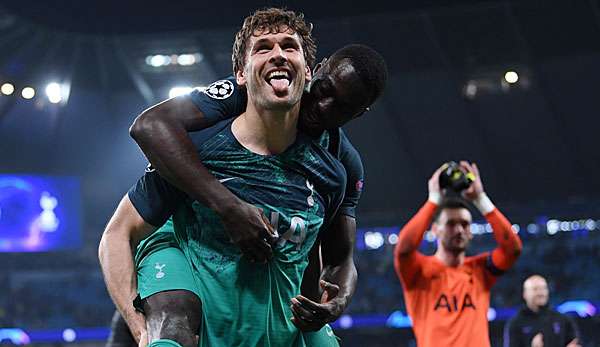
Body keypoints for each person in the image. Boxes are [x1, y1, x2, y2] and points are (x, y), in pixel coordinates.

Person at [100, 8, 385, 347]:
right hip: (176, 247)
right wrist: (228, 207)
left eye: (340, 107)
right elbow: (148, 128)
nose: (322, 106)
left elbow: (331, 258)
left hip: (272, 290)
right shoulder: (211, 126)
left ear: (306, 70)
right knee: (173, 318)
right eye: (264, 48)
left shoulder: (339, 166)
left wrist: (332, 303)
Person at [393, 161, 523, 347]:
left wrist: (480, 199)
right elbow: (403, 248)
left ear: (470, 231)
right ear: (435, 230)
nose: (459, 230)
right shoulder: (418, 270)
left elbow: (513, 249)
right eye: (451, 224)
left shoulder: (480, 270)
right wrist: (433, 201)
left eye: (464, 224)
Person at [503, 275, 581, 347]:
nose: (540, 293)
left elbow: (575, 343)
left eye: (543, 288)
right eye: (535, 289)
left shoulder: (564, 320)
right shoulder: (515, 324)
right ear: (525, 294)